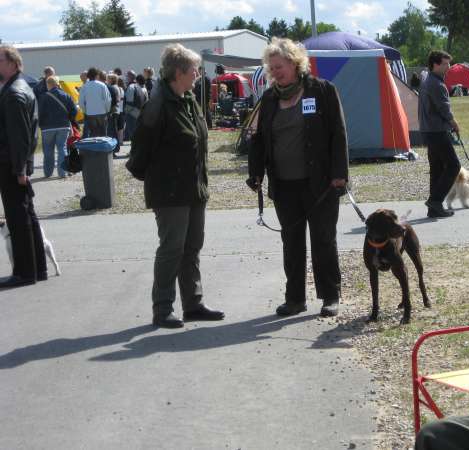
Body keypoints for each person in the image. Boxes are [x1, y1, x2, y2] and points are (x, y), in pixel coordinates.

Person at [247, 37, 349, 318]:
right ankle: (295, 299)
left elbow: (338, 134)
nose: (275, 71)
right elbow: (258, 140)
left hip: (321, 183)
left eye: (280, 66)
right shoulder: (268, 99)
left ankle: (330, 296)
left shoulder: (322, 91)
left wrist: (340, 174)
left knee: (323, 240)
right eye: (272, 67)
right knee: (291, 243)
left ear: (295, 63)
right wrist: (255, 172)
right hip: (284, 185)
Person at [126, 43, 224, 328]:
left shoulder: (189, 100)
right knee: (172, 249)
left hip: (194, 189)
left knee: (192, 247)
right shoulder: (157, 106)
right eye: (194, 69)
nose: (198, 74)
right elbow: (139, 156)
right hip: (170, 193)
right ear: (179, 72)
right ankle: (163, 308)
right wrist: (162, 181)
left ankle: (193, 304)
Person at [0, 45, 48, 288]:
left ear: (13, 63)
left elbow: (19, 136)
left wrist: (20, 170)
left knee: (18, 219)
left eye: (0, 60)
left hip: (11, 164)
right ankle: (38, 268)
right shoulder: (20, 88)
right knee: (27, 215)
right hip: (16, 163)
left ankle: (25, 272)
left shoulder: (13, 93)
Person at [418, 50, 461, 218]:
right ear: (435, 64)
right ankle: (435, 200)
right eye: (445, 64)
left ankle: (433, 208)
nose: (448, 67)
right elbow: (444, 108)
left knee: (437, 168)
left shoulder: (427, 80)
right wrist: (454, 123)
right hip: (436, 131)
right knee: (453, 166)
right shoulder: (436, 83)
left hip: (428, 130)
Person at [38, 75, 77, 177]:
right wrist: (69, 119)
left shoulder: (43, 97)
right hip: (63, 125)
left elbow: (40, 113)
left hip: (47, 127)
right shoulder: (66, 95)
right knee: (62, 148)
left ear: (48, 84)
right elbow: (74, 110)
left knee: (48, 150)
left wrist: (41, 125)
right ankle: (62, 172)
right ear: (57, 83)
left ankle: (48, 173)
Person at [78, 67, 111, 137]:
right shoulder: (102, 85)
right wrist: (107, 110)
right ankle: (102, 147)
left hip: (90, 113)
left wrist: (86, 111)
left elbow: (81, 102)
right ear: (97, 75)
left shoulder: (84, 87)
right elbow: (107, 100)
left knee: (93, 134)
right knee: (103, 134)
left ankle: (95, 147)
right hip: (102, 113)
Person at [106, 73, 121, 155]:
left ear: (112, 79)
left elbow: (114, 100)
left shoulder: (113, 87)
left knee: (112, 131)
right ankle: (115, 148)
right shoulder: (116, 87)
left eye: (108, 78)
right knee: (114, 130)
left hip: (113, 111)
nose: (107, 80)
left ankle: (114, 148)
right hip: (116, 110)